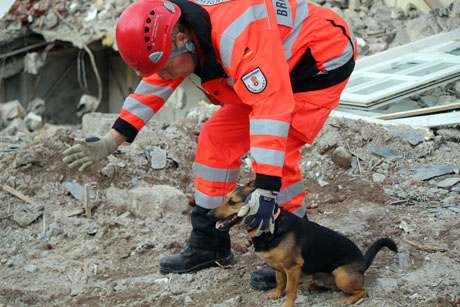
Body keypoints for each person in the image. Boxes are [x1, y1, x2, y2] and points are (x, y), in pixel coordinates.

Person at [62, 0, 357, 291]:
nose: (163, 76)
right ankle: (209, 244)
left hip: (316, 64)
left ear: (182, 40)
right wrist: (112, 140)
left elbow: (270, 109)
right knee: (216, 139)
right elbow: (156, 79)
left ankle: (297, 251)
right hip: (272, 61)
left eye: (165, 67)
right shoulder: (176, 33)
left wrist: (266, 189)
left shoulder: (235, 36)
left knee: (277, 152)